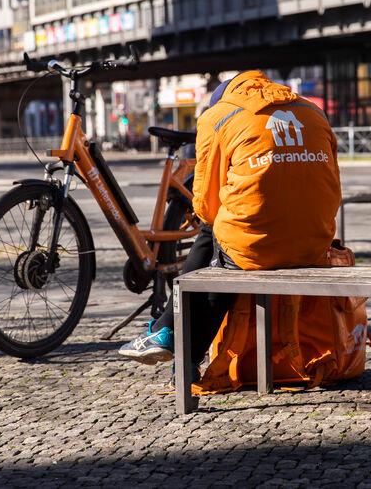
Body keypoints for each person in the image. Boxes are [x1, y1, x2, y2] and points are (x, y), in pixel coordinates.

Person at [119, 70, 342, 372]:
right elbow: (332, 185)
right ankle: (168, 335)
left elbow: (205, 204)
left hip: (258, 247)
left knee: (216, 238)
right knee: (223, 247)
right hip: (315, 242)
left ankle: (170, 338)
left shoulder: (218, 117)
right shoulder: (313, 112)